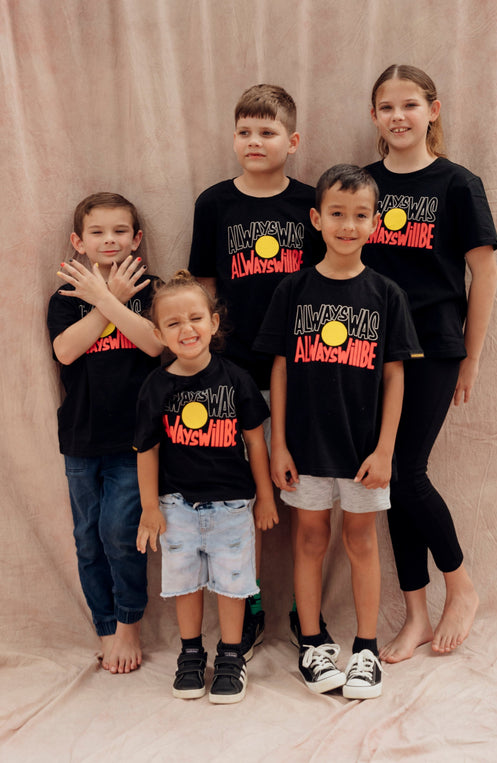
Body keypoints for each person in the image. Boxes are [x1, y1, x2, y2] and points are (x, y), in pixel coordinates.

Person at [255, 165, 423, 698]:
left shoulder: (387, 293)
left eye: (359, 215)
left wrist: (386, 449)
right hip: (305, 446)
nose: (347, 225)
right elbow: (278, 368)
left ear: (375, 223)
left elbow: (396, 375)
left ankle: (366, 649)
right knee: (308, 538)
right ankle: (310, 641)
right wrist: (279, 441)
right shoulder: (293, 288)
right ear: (316, 218)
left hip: (362, 451)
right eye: (337, 214)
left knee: (360, 541)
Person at [363, 64, 497, 663]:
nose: (399, 115)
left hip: (434, 345)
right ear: (375, 117)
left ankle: (460, 585)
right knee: (388, 481)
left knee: (405, 470)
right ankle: (415, 613)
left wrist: (470, 358)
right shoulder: (362, 183)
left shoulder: (457, 185)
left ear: (432, 111)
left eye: (410, 104)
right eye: (387, 106)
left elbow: (485, 274)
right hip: (368, 347)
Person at [188, 83, 325, 657]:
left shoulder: (311, 203)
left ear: (292, 141)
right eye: (244, 131)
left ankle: (303, 608)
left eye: (267, 132)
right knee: (242, 493)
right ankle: (250, 604)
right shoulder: (214, 203)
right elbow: (204, 286)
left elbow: (331, 278)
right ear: (233, 137)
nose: (254, 141)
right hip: (235, 367)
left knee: (298, 493)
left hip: (303, 366)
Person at [134, 270, 278, 704]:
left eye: (195, 318)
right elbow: (146, 451)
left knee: (234, 584)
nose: (186, 329)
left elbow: (256, 442)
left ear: (214, 323)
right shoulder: (155, 387)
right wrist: (149, 508)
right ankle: (191, 654)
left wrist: (265, 497)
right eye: (173, 323)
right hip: (175, 505)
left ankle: (232, 656)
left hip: (232, 504)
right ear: (158, 333)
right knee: (185, 583)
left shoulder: (236, 380)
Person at [47, 192, 163, 673]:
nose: (109, 240)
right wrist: (103, 298)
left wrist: (112, 298)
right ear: (78, 242)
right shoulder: (67, 296)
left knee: (120, 533)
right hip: (81, 437)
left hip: (134, 440)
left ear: (136, 239)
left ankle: (130, 624)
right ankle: (106, 628)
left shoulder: (151, 289)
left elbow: (155, 345)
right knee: (87, 538)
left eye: (120, 231)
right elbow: (66, 352)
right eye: (97, 232)